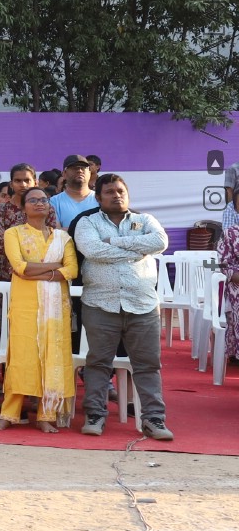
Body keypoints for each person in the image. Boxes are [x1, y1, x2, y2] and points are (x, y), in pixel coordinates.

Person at [72, 175, 171, 440]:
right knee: (98, 363)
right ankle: (95, 414)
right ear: (98, 197)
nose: (117, 195)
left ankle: (154, 419)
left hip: (143, 305)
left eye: (121, 190)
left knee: (148, 364)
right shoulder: (87, 222)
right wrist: (139, 250)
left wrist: (114, 242)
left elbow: (160, 243)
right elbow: (93, 251)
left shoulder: (146, 220)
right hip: (100, 304)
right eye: (110, 192)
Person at [0, 188, 78, 432]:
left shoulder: (63, 238)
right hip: (25, 306)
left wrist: (40, 270)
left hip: (55, 309)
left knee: (53, 356)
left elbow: (72, 270)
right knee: (22, 358)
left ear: (50, 206)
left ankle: (46, 415)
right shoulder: (14, 233)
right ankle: (9, 413)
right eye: (33, 200)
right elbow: (19, 267)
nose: (39, 204)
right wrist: (55, 269)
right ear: (23, 207)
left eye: (43, 200)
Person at [0, 164, 37, 282]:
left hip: (39, 272)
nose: (23, 185)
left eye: (27, 180)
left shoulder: (46, 209)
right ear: (11, 184)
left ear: (35, 183)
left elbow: (49, 243)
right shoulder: (0, 210)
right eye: (18, 181)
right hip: (8, 273)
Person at [49, 154, 99, 231]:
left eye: (83, 168)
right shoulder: (54, 201)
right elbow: (56, 232)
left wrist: (68, 230)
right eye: (74, 168)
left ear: (89, 172)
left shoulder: (100, 199)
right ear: (64, 174)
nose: (79, 170)